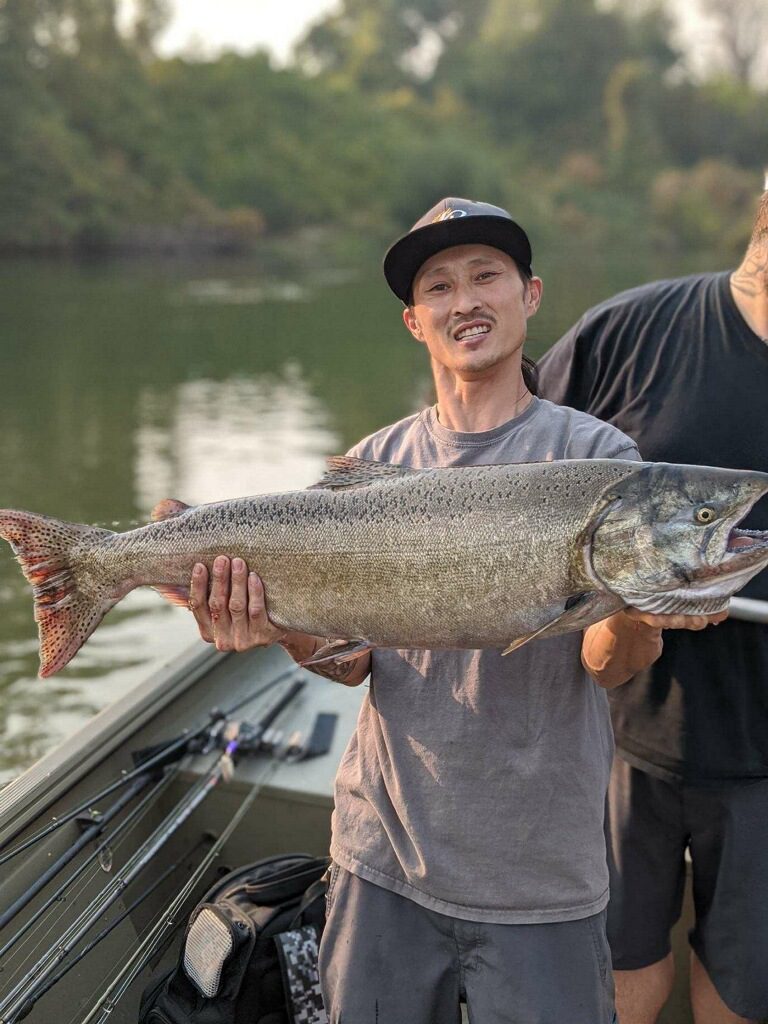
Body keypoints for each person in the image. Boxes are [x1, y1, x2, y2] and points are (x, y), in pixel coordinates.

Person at [187, 198, 722, 1023]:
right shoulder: (371, 465)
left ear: (531, 294)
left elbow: (607, 664)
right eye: (439, 286)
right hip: (380, 861)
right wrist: (278, 624)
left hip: (544, 875)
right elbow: (348, 662)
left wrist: (638, 608)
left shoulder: (600, 459)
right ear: (414, 321)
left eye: (485, 276)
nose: (463, 300)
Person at [537, 187, 768, 1024]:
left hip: (765, 771)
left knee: (739, 996)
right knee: (616, 981)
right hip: (619, 737)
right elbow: (496, 441)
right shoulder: (631, 331)